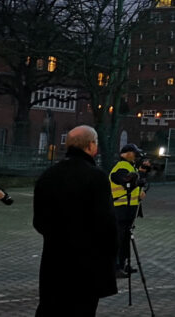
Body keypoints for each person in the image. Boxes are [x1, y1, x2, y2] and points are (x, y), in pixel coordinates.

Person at [33, 125, 118, 316]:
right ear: (90, 146)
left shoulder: (48, 175)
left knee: (50, 308)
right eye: (95, 142)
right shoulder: (95, 177)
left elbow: (39, 221)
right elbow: (106, 224)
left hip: (53, 260)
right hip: (85, 264)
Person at [110, 143, 147, 278]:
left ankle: (123, 264)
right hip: (120, 209)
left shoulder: (131, 167)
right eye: (133, 152)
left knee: (126, 238)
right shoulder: (121, 167)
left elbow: (133, 185)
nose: (136, 155)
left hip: (129, 209)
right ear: (125, 154)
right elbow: (126, 183)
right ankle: (116, 267)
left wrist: (141, 189)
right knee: (120, 238)